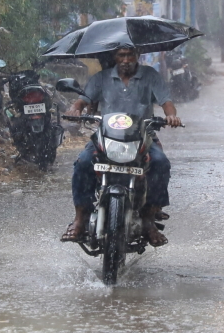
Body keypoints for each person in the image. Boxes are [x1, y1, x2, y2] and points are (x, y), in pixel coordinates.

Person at [60, 46, 181, 247]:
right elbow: (83, 100)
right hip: (106, 134)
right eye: (121, 55)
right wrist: (74, 109)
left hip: (142, 134)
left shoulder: (150, 75)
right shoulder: (101, 78)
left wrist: (171, 115)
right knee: (82, 164)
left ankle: (149, 218)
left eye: (130, 55)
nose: (126, 59)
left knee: (160, 164)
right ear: (114, 57)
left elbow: (166, 101)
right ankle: (80, 219)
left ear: (137, 56)